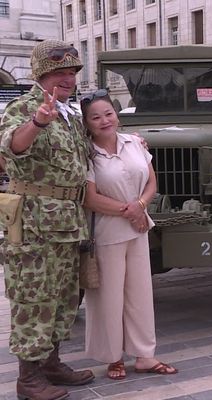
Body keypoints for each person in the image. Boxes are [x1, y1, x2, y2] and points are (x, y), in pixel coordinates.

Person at [0, 40, 95, 400]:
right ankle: (28, 379)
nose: (68, 80)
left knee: (64, 297)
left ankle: (51, 363)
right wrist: (38, 121)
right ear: (41, 75)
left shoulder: (70, 114)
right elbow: (11, 146)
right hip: (35, 223)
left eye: (72, 73)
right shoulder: (23, 108)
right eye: (60, 73)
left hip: (68, 221)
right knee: (33, 298)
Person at [80, 90, 178, 380]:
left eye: (108, 114)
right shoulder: (85, 153)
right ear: (87, 123)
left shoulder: (135, 143)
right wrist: (130, 211)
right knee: (108, 298)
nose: (104, 120)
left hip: (138, 229)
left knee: (140, 295)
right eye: (95, 117)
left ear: (117, 115)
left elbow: (151, 181)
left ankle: (145, 355)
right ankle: (113, 357)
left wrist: (141, 206)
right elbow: (90, 198)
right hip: (107, 232)